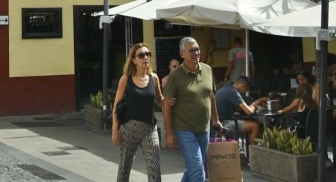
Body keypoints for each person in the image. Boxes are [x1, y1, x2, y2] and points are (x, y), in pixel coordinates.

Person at [163, 36, 224, 182]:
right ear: (182, 54)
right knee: (197, 169)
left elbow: (211, 95)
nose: (196, 53)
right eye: (191, 51)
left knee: (193, 168)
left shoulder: (208, 70)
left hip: (204, 128)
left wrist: (216, 120)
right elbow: (166, 104)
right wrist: (169, 133)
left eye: (197, 49)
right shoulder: (175, 75)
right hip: (184, 129)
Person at [112, 43, 164, 182]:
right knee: (124, 168)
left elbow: (160, 100)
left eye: (148, 54)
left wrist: (169, 102)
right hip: (129, 127)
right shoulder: (126, 79)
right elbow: (116, 105)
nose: (145, 57)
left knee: (155, 168)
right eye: (141, 55)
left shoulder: (154, 78)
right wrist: (115, 130)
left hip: (149, 128)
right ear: (134, 60)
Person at [215, 75, 267, 145]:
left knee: (250, 123)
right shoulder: (233, 92)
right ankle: (253, 153)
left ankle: (249, 149)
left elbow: (242, 108)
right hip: (223, 123)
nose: (245, 92)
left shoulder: (226, 88)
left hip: (217, 121)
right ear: (243, 86)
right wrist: (255, 105)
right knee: (255, 126)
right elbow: (248, 111)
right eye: (246, 89)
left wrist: (254, 103)